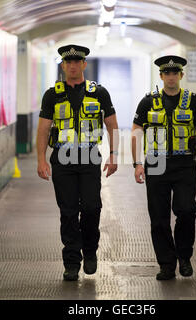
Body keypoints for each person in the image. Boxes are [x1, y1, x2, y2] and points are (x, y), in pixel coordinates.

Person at [36, 44, 119, 281]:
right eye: (68, 62)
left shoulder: (99, 93)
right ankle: (72, 262)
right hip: (62, 160)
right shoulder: (52, 94)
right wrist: (41, 160)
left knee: (92, 207)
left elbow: (112, 125)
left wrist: (113, 155)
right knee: (69, 211)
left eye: (77, 62)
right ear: (63, 66)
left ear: (84, 64)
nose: (72, 66)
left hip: (90, 157)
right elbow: (43, 130)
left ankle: (90, 251)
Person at [131, 55, 196, 280]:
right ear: (161, 76)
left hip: (184, 163)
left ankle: (184, 257)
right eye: (166, 73)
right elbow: (136, 130)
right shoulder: (148, 102)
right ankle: (166, 264)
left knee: (186, 210)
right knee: (159, 217)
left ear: (181, 76)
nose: (171, 77)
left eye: (174, 73)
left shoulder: (193, 102)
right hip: (156, 163)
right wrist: (137, 163)